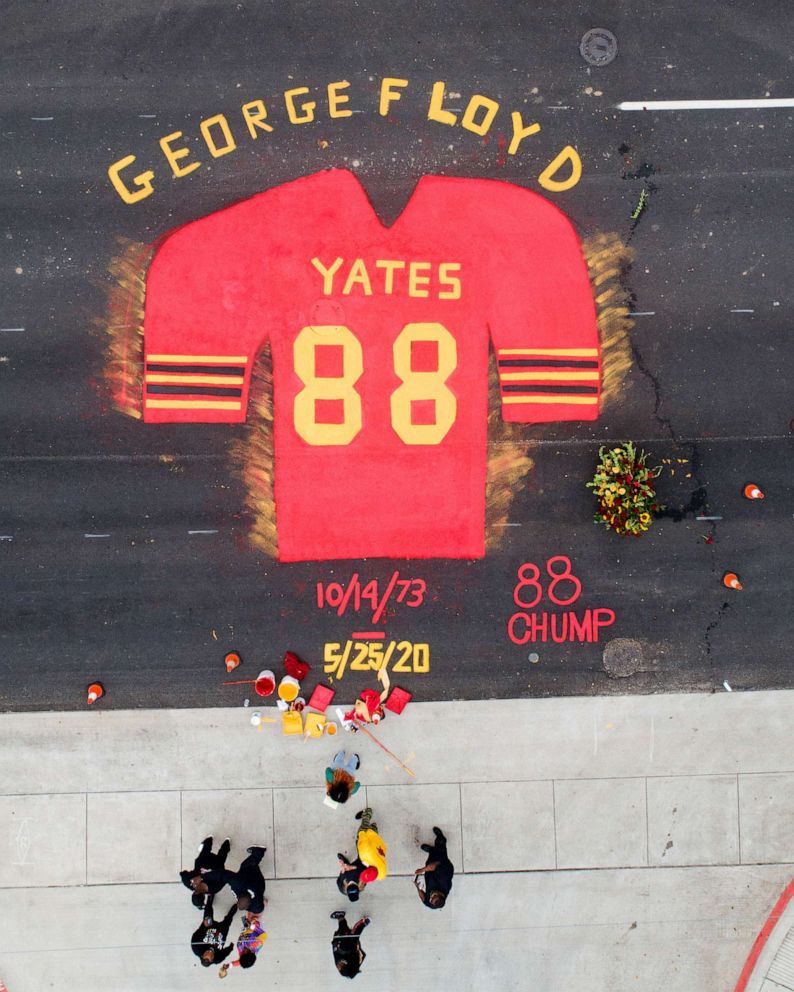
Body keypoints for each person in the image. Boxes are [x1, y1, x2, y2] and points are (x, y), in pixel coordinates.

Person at [179, 836, 230, 910]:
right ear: (193, 894)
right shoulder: (188, 882)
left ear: (204, 896)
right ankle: (210, 839)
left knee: (223, 853)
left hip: (217, 863)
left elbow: (224, 878)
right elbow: (182, 874)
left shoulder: (214, 888)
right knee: (206, 848)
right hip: (204, 859)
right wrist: (192, 875)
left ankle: (227, 842)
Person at [414, 826, 454, 910]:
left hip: (432, 874)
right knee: (439, 852)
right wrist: (422, 870)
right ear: (441, 895)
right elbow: (435, 865)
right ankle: (441, 838)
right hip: (443, 866)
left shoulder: (432, 903)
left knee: (429, 861)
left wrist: (417, 887)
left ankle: (431, 851)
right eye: (434, 896)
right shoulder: (444, 883)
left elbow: (423, 899)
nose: (431, 896)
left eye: (431, 899)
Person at [190, 896, 236, 966]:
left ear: (202, 956)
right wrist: (230, 947)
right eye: (211, 954)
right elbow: (224, 953)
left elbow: (194, 937)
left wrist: (202, 928)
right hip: (221, 932)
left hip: (208, 927)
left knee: (208, 914)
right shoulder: (218, 959)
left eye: (206, 953)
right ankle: (233, 910)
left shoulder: (196, 949)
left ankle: (209, 901)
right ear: (212, 960)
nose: (210, 951)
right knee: (228, 920)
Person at [219, 846, 267, 913]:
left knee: (252, 866)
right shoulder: (250, 888)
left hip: (261, 885)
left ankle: (256, 859)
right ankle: (259, 852)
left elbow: (259, 908)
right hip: (255, 879)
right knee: (246, 865)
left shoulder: (257, 906)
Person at [330, 910, 370, 979]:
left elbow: (334, 951)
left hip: (343, 943)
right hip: (349, 944)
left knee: (343, 933)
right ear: (346, 965)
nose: (338, 967)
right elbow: (363, 955)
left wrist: (335, 941)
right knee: (349, 941)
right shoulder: (353, 961)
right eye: (340, 967)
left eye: (339, 969)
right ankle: (363, 923)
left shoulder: (339, 964)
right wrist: (359, 947)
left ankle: (341, 917)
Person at [355, 807, 388, 882]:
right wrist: (361, 832)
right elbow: (362, 838)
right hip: (368, 837)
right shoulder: (364, 854)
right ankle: (367, 813)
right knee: (365, 824)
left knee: (374, 833)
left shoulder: (382, 875)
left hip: (379, 844)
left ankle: (374, 826)